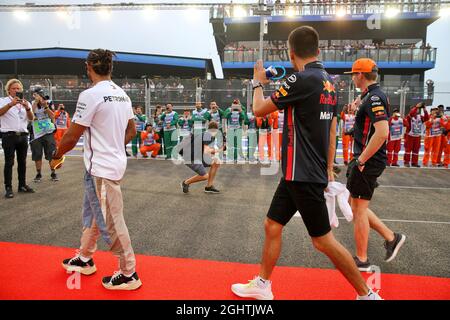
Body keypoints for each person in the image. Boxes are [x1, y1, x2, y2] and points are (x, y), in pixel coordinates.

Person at [232, 26, 382, 300]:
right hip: (299, 172)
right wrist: (327, 167)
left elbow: (258, 110)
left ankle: (366, 294)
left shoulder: (300, 80)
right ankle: (263, 285)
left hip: (301, 173)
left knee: (322, 240)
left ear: (291, 54)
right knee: (272, 225)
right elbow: (332, 129)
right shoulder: (328, 81)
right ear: (318, 50)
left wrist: (256, 83)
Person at [52, 49, 142, 290]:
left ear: (88, 66)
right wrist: (112, 146)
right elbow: (131, 131)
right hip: (107, 165)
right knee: (93, 213)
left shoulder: (90, 95)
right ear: (110, 68)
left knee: (111, 221)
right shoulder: (122, 95)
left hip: (101, 169)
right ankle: (84, 258)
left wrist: (56, 155)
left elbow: (71, 136)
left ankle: (128, 273)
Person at [344, 58, 406, 271]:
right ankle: (391, 237)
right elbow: (373, 128)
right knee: (355, 206)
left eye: (353, 74)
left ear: (360, 75)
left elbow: (382, 132)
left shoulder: (374, 97)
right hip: (367, 159)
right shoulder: (371, 96)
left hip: (367, 161)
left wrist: (361, 160)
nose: (352, 78)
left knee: (358, 210)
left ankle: (362, 259)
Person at [0, 79, 35, 198]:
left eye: (18, 88)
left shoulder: (26, 102)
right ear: (8, 90)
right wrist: (11, 104)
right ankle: (8, 187)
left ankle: (22, 184)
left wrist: (27, 108)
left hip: (23, 136)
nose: (16, 90)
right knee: (9, 162)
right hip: (9, 135)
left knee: (22, 162)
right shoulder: (3, 101)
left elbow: (31, 118)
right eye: (14, 88)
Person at [180, 121, 222, 194]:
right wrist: (220, 150)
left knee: (216, 162)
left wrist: (212, 157)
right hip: (190, 157)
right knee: (205, 176)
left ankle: (209, 187)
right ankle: (186, 183)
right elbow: (206, 151)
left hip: (196, 155)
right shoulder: (208, 136)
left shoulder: (206, 134)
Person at [30, 88, 59, 182]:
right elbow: (31, 115)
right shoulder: (31, 103)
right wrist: (35, 102)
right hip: (36, 132)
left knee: (51, 152)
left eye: (41, 94)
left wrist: (45, 106)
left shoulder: (49, 102)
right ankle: (38, 174)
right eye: (38, 94)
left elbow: (53, 116)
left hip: (48, 131)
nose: (41, 96)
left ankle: (53, 172)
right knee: (37, 154)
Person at [403, 102, 429, 167]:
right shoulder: (409, 116)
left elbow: (427, 118)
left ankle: (414, 162)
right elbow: (412, 113)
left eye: (417, 109)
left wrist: (424, 109)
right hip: (410, 136)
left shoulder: (420, 117)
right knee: (408, 150)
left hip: (417, 136)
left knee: (416, 150)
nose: (416, 110)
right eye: (415, 109)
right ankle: (406, 162)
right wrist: (416, 107)